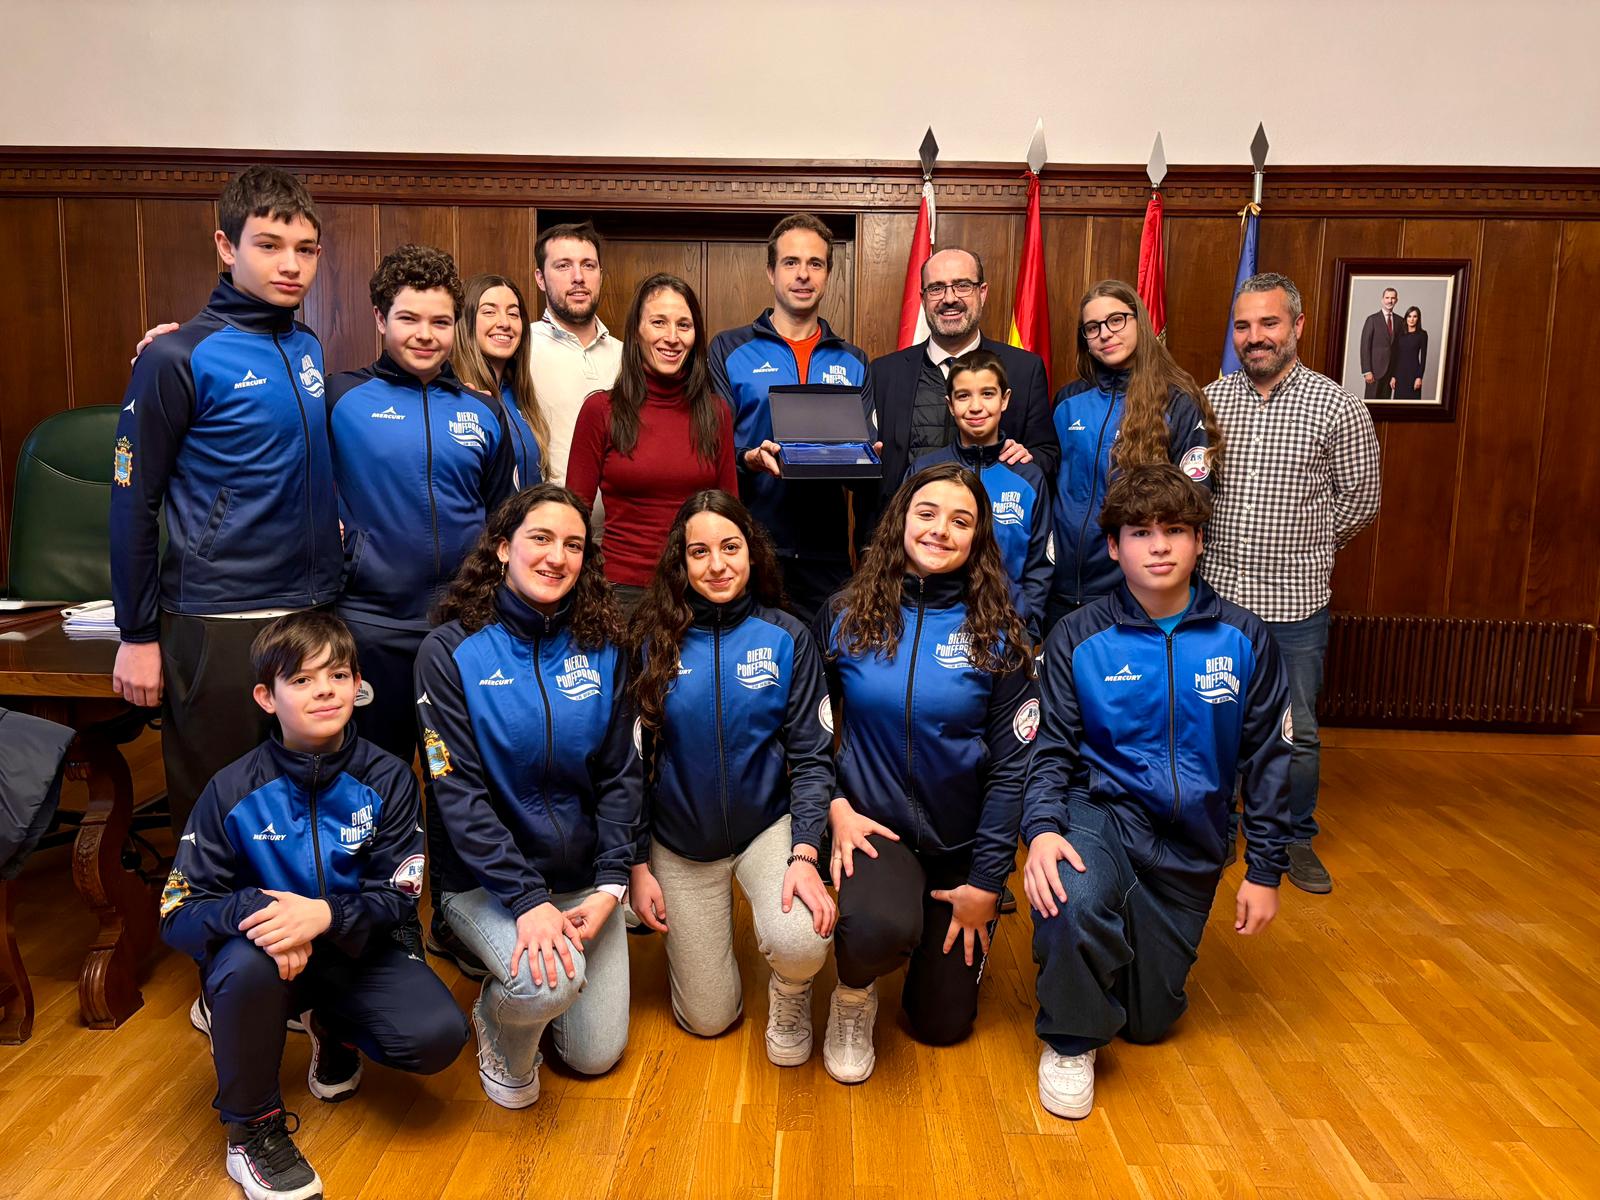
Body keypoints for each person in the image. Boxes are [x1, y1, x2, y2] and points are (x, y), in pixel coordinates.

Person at [162, 610, 467, 1200]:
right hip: (268, 959)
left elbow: (401, 894)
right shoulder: (231, 789)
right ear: (266, 697)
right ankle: (251, 1133)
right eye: (300, 680)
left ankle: (331, 1025)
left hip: (356, 949)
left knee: (436, 1035)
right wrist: (262, 914)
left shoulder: (391, 779)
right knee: (247, 964)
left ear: (358, 686)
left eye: (338, 675)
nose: (324, 689)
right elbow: (177, 911)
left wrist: (325, 914)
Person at [1023, 464, 1292, 1120]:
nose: (1161, 546)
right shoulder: (1077, 636)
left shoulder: (1244, 638)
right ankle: (1070, 1038)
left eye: (1176, 530)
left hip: (1192, 845)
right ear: (1113, 547)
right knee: (1071, 891)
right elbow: (1051, 747)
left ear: (1200, 540)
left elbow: (1269, 757)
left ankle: (1102, 960)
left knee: (1147, 1024)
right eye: (1141, 532)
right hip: (1101, 815)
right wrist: (1040, 830)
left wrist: (1265, 869)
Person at [110, 165, 342, 834]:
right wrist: (137, 633)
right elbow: (131, 501)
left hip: (311, 609)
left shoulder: (306, 346)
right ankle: (218, 940)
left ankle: (300, 935)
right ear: (225, 246)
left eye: (305, 249)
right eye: (268, 245)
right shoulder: (175, 356)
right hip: (215, 618)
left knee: (301, 807)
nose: (290, 265)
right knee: (219, 815)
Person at [413, 484, 639, 1109]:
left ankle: (541, 983)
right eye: (540, 538)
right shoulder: (449, 652)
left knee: (594, 1056)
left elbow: (622, 775)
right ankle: (501, 1017)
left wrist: (610, 887)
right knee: (544, 988)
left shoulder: (606, 647)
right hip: (486, 885)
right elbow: (456, 795)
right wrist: (528, 900)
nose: (556, 557)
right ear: (502, 546)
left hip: (583, 883)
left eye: (573, 544)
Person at [814, 462, 1037, 1083]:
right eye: (928, 513)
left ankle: (934, 947)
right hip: (873, 829)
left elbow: (1012, 769)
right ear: (902, 521)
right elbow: (814, 732)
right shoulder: (844, 613)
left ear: (978, 539)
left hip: (960, 846)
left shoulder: (999, 632)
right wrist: (835, 806)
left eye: (960, 520)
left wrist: (988, 883)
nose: (941, 530)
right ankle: (853, 995)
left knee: (941, 1026)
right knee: (877, 927)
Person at [626, 490, 835, 1064]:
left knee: (802, 940)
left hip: (765, 830)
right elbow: (629, 766)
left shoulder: (788, 637)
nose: (716, 565)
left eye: (730, 547)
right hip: (680, 843)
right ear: (681, 562)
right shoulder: (650, 641)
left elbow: (815, 758)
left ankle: (790, 990)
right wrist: (638, 863)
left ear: (752, 552)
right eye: (699, 552)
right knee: (708, 1020)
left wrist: (805, 854)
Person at [1207, 272, 1381, 894]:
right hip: (1218, 599)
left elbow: (1360, 499)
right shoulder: (1211, 401)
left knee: (1296, 730)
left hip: (1296, 602)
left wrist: (1306, 546)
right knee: (1215, 718)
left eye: (1269, 323)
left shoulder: (1338, 405)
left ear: (1297, 326)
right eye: (1245, 326)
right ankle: (1218, 828)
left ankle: (1291, 837)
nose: (1255, 337)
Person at [325, 244, 516, 767]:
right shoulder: (338, 399)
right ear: (380, 319)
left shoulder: (484, 411)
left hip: (463, 628)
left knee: (458, 778)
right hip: (370, 626)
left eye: (441, 320)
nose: (426, 334)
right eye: (409, 318)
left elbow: (503, 519)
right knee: (373, 776)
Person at [709, 212, 875, 623]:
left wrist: (868, 460)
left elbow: (867, 467)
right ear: (770, 271)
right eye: (791, 262)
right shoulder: (729, 349)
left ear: (828, 274)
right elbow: (710, 452)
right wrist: (748, 458)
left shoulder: (853, 361)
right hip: (749, 547)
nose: (803, 274)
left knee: (828, 674)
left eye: (815, 264)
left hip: (828, 555)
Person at [1049, 279, 1222, 631]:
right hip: (1061, 589)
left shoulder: (1176, 399)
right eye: (1092, 327)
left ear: (1138, 321)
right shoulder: (1068, 401)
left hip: (1134, 591)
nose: (1105, 334)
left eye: (1116, 320)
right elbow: (1050, 482)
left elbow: (1195, 494)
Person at [566, 274, 738, 617]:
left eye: (684, 325)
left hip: (696, 590)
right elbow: (573, 518)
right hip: (620, 593)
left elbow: (729, 515)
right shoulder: (600, 411)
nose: (672, 337)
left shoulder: (715, 412)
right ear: (636, 332)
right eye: (658, 322)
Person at [867, 246, 1057, 534]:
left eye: (962, 285)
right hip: (902, 548)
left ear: (982, 292)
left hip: (992, 546)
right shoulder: (884, 372)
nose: (949, 298)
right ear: (923, 299)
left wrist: (1024, 456)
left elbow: (1048, 455)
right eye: (936, 288)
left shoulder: (1023, 369)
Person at [908, 349, 1051, 642]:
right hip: (933, 625)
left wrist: (1025, 625)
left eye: (987, 394)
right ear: (949, 405)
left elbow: (1040, 565)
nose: (975, 407)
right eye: (963, 396)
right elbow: (899, 549)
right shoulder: (923, 472)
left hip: (1005, 627)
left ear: (1005, 400)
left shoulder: (1028, 477)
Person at [527, 221, 623, 485]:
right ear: (540, 278)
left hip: (617, 524)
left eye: (588, 265)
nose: (578, 277)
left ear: (600, 275)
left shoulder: (626, 356)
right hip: (545, 520)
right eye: (563, 265)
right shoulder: (521, 347)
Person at [453, 273, 548, 487]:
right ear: (465, 321)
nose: (504, 323)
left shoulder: (518, 395)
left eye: (513, 314)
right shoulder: (452, 395)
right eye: (489, 311)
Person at [1358, 286, 1401, 399]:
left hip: (1390, 373)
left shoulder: (1400, 321)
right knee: (1371, 406)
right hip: (1374, 372)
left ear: (1396, 300)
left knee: (1385, 407)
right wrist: (1367, 371)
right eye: (1387, 297)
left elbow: (1399, 350)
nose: (1390, 301)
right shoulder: (1372, 319)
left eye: (1392, 298)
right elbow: (1364, 347)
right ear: (1382, 300)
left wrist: (1395, 374)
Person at [1390, 305, 1428, 399]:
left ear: (1418, 319)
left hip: (1413, 374)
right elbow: (1396, 356)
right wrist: (1393, 376)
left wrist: (1419, 377)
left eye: (1415, 316)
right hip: (1400, 374)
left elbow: (1423, 359)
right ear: (1406, 318)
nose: (1411, 319)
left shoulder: (1422, 335)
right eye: (1409, 316)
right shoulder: (1400, 334)